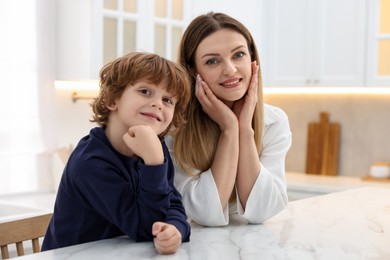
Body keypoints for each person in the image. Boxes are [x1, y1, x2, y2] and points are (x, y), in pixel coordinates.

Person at [42, 52, 191, 254]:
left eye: (167, 100)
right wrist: (154, 162)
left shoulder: (153, 146)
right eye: (145, 91)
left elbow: (173, 204)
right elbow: (145, 228)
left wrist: (175, 229)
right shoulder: (90, 162)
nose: (158, 103)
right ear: (112, 100)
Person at [167, 12, 292, 226]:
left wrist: (244, 129)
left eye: (238, 55)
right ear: (192, 70)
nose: (230, 70)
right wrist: (229, 129)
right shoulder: (174, 126)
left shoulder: (275, 121)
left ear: (252, 60)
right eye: (213, 61)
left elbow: (263, 211)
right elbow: (203, 213)